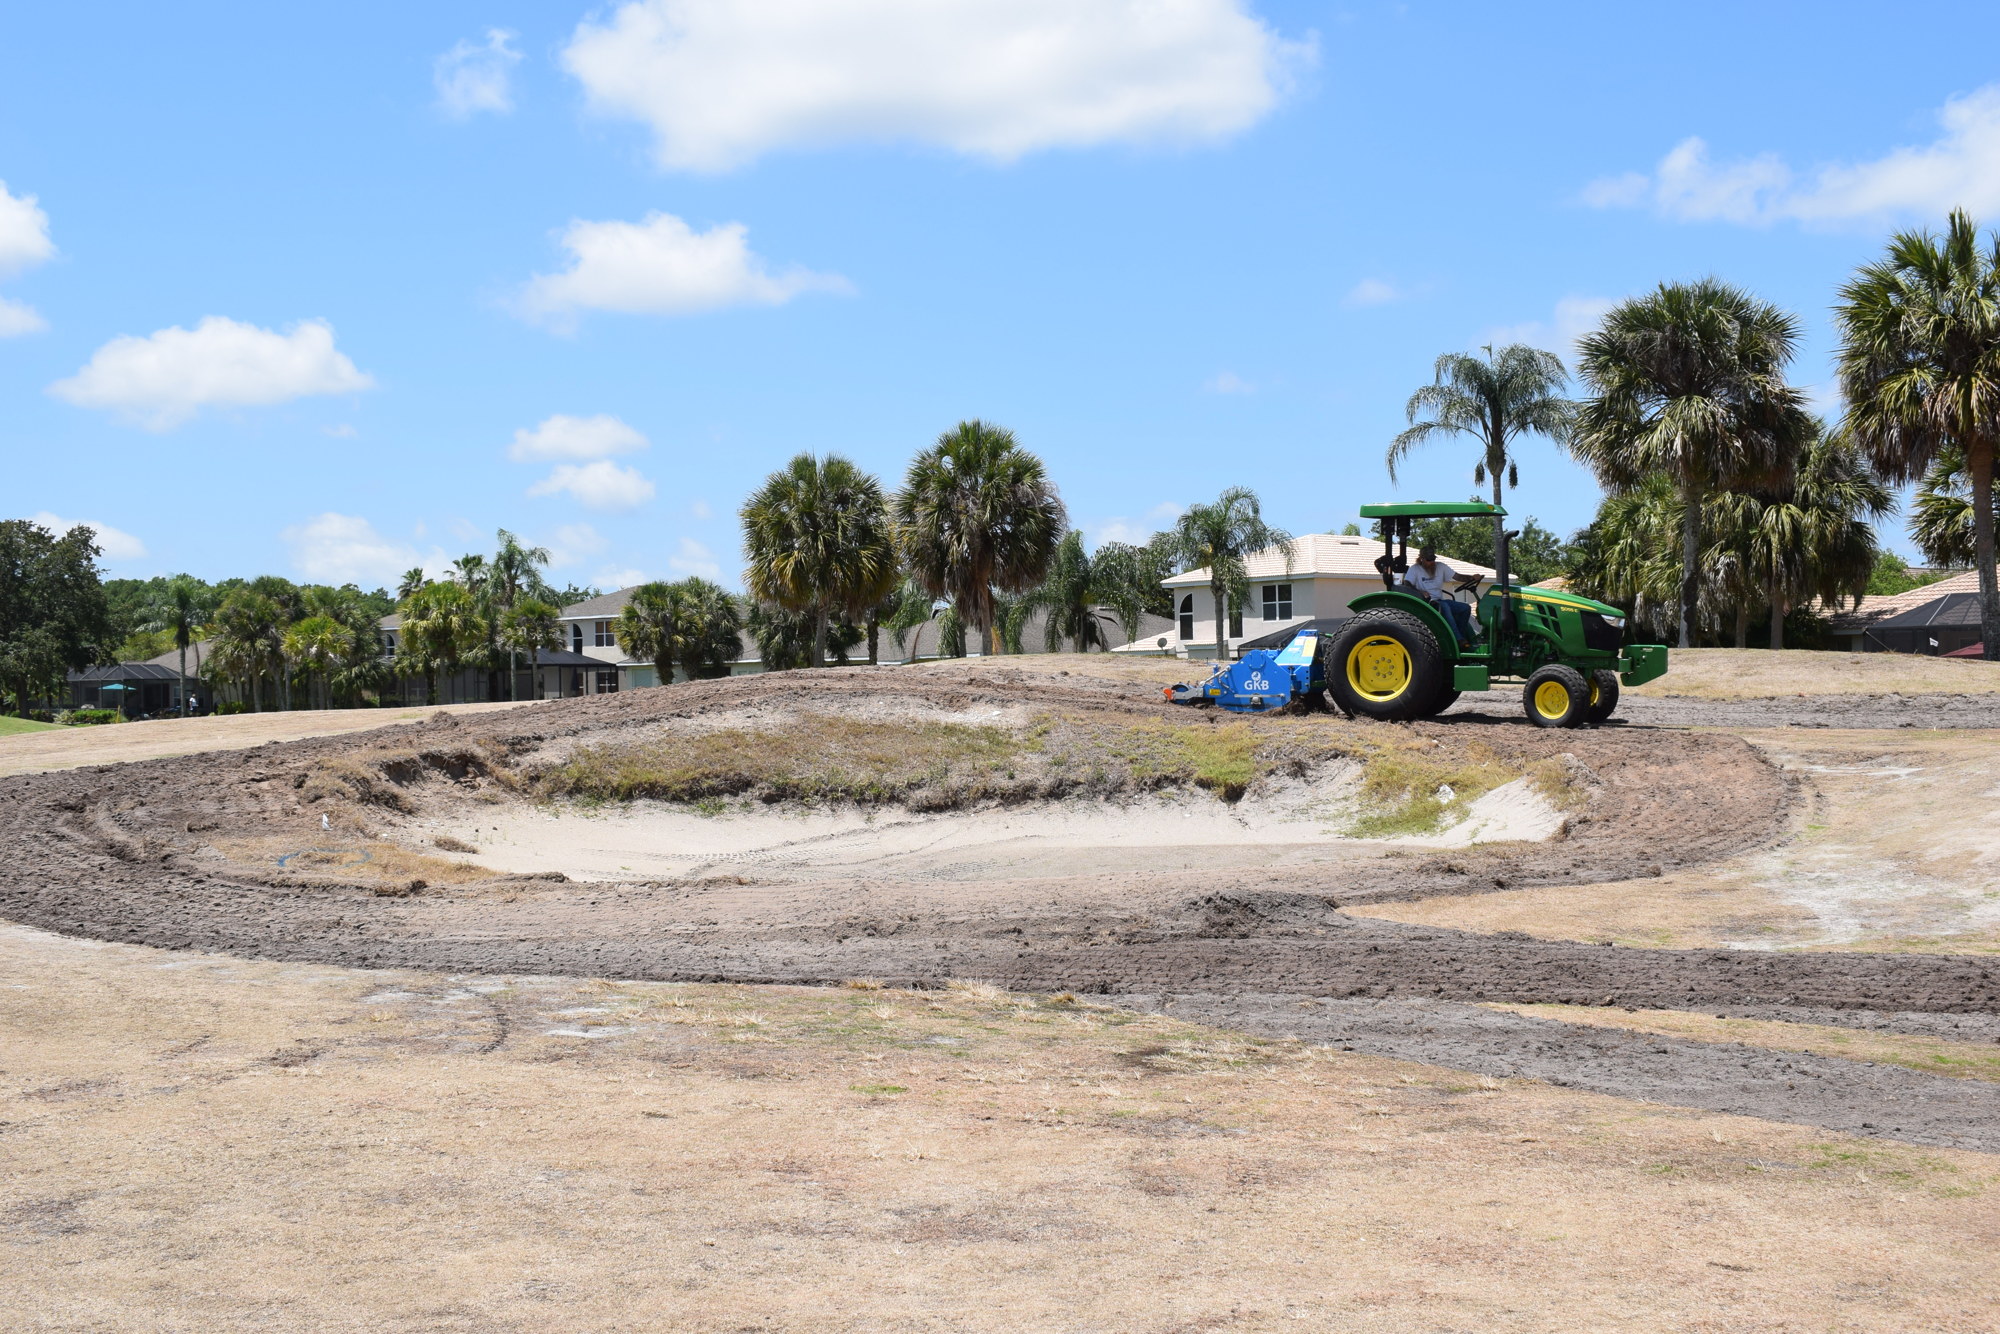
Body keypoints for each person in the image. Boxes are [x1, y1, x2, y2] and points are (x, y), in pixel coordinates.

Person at [1401, 544, 1479, 645]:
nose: (1432, 562)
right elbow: (1407, 583)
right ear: (1422, 559)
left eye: (1433, 559)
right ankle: (1457, 639)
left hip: (1439, 600)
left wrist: (1472, 578)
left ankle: (1462, 636)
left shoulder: (1441, 566)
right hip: (1427, 602)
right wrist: (1420, 592)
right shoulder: (1415, 569)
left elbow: (1457, 577)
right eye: (1429, 560)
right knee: (1445, 607)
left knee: (1465, 608)